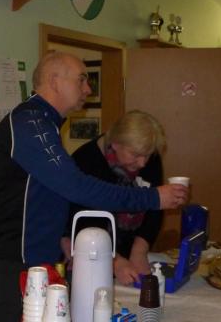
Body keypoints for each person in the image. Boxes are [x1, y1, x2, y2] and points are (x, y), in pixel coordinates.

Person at [0, 52, 188, 322]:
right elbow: (76, 186)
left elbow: (50, 192)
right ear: (55, 81)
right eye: (81, 80)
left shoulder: (45, 123)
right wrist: (153, 198)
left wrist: (63, 239)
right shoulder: (30, 123)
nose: (88, 89)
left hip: (37, 255)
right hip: (16, 257)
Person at [63, 110, 166, 285]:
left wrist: (139, 250)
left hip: (129, 251)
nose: (143, 163)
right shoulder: (85, 160)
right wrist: (114, 260)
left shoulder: (149, 157)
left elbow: (155, 207)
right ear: (116, 143)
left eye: (147, 155)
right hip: (92, 255)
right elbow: (81, 221)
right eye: (135, 155)